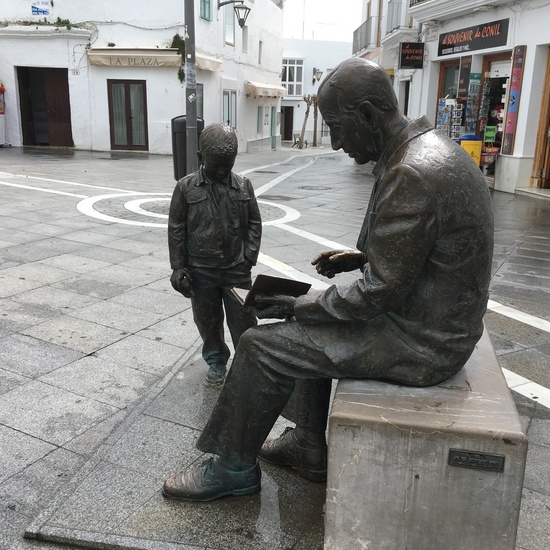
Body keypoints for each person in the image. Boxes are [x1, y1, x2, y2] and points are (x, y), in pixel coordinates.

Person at [162, 58, 494, 502]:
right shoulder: (423, 150)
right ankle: (307, 445)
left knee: (263, 346)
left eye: (337, 127)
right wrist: (360, 257)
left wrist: (299, 304)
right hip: (439, 322)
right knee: (311, 329)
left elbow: (378, 293)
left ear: (370, 116)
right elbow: (428, 251)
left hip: (424, 342)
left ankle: (233, 468)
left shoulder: (410, 172)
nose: (336, 143)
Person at [168, 123, 262, 386]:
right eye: (216, 165)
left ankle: (249, 362)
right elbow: (176, 228)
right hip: (201, 270)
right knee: (207, 321)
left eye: (227, 165)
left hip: (236, 269)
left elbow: (255, 223)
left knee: (243, 319)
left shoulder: (244, 186)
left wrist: (249, 257)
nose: (222, 171)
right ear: (201, 158)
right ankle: (216, 360)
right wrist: (178, 267)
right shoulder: (186, 188)